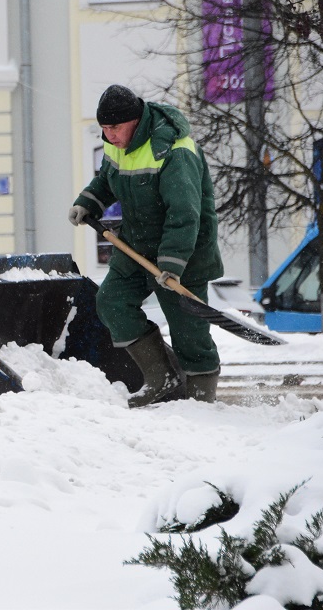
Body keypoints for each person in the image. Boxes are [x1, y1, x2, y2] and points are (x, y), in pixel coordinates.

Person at [68, 84, 224, 406]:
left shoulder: (174, 150)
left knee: (189, 333)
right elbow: (108, 178)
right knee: (111, 302)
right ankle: (162, 380)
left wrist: (172, 264)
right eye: (104, 128)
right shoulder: (115, 145)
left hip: (184, 251)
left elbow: (184, 213)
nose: (110, 136)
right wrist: (89, 201)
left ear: (136, 120)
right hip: (135, 247)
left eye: (116, 128)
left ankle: (202, 404)